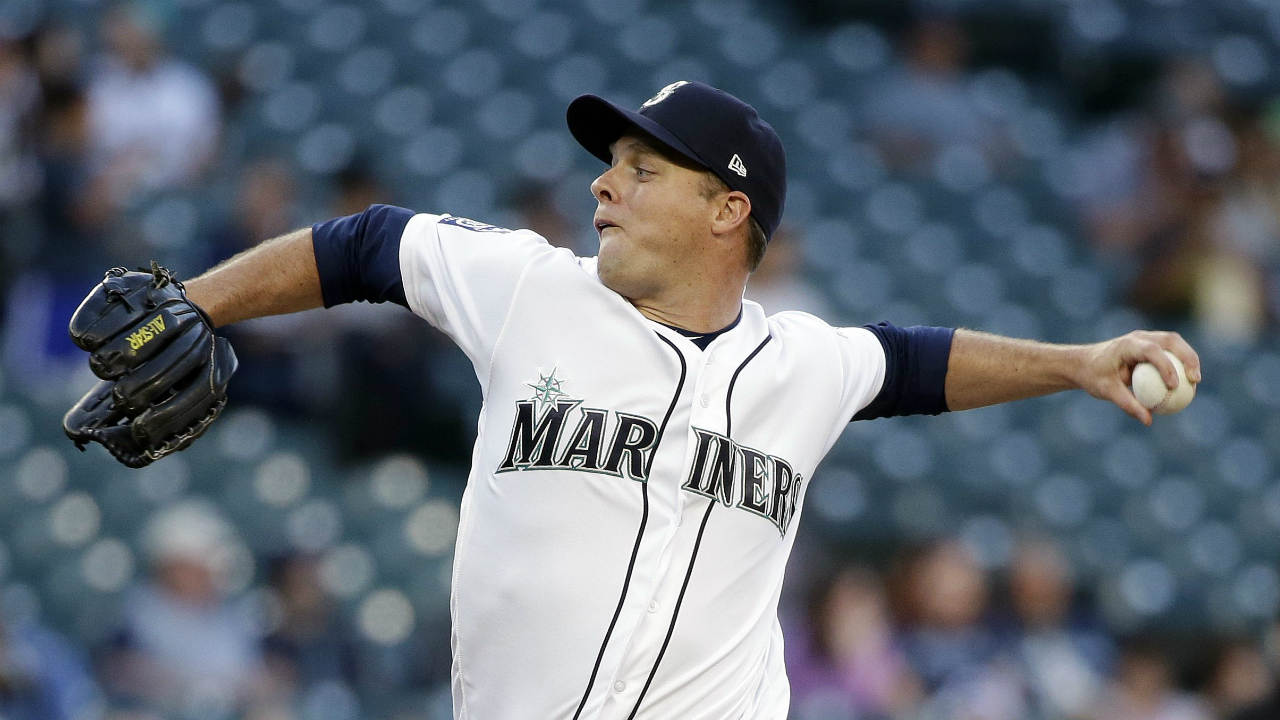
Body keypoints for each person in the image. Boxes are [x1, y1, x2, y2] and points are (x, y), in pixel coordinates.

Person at [178, 80, 1200, 718]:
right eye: (609, 167)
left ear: (727, 208)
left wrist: (1073, 361)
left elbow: (916, 364)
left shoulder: (800, 364)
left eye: (639, 169)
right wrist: (192, 304)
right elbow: (366, 245)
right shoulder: (532, 288)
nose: (601, 188)